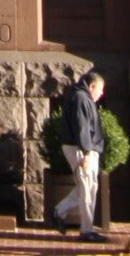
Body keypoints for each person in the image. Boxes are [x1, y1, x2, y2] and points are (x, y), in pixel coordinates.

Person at [48, 68, 106, 241]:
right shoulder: (81, 98)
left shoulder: (80, 96)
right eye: (100, 89)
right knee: (87, 188)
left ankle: (59, 212)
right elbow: (82, 127)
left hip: (81, 148)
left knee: (86, 187)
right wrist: (86, 152)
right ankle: (87, 230)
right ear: (92, 86)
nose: (101, 94)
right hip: (81, 149)